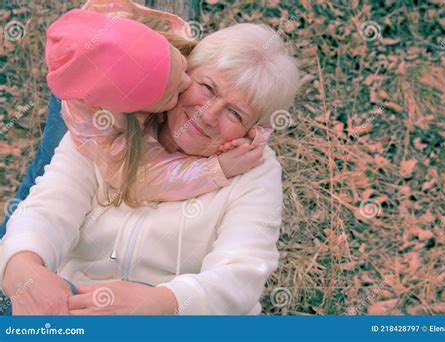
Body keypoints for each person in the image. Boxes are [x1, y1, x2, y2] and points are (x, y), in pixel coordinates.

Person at [0, 13, 299, 315]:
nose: (207, 115)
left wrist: (164, 303)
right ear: (187, 70)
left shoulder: (255, 171)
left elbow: (241, 274)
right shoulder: (110, 121)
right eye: (207, 88)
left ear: (254, 130)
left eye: (235, 113)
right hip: (76, 301)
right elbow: (50, 206)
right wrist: (23, 266)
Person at [46, 9, 270, 207]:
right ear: (139, 111)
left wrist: (255, 134)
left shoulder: (158, 43)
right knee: (49, 169)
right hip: (79, 96)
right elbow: (142, 178)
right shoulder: (100, 131)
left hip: (104, 46)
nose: (186, 82)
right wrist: (217, 169)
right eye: (172, 94)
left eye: (182, 66)